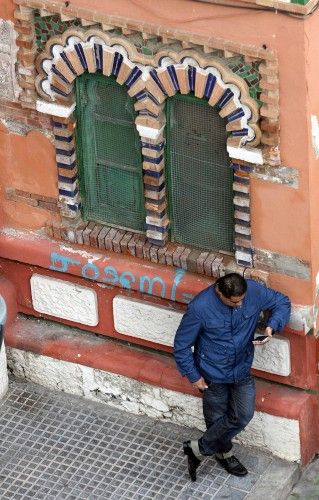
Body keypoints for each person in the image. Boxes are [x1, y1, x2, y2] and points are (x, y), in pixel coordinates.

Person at [174, 273, 291, 481]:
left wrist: (272, 326)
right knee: (216, 419)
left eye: (243, 300)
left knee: (243, 414)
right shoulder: (200, 307)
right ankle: (224, 454)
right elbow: (181, 346)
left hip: (241, 368)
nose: (240, 305)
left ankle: (198, 449)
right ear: (219, 292)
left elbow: (282, 301)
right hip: (212, 374)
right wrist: (193, 376)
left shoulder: (253, 291)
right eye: (235, 302)